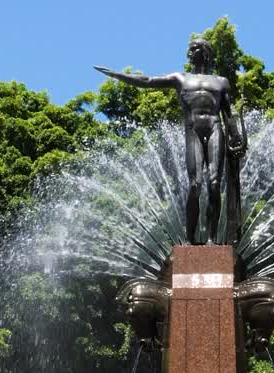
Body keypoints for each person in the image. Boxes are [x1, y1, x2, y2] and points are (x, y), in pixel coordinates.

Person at [96, 37, 246, 246]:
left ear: (205, 52)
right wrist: (118, 75)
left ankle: (212, 239)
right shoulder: (180, 78)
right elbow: (148, 81)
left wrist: (236, 136)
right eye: (190, 49)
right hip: (193, 130)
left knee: (214, 184)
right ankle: (191, 238)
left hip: (215, 129)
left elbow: (228, 114)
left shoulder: (221, 82)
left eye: (194, 49)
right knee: (195, 185)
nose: (190, 52)